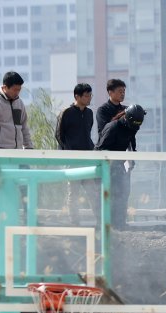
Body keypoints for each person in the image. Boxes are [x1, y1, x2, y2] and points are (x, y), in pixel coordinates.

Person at [95, 104, 144, 228]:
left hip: (120, 166)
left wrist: (132, 158)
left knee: (123, 193)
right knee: (110, 196)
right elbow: (100, 149)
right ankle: (107, 225)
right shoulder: (113, 127)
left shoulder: (132, 127)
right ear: (127, 118)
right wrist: (111, 164)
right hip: (106, 168)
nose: (136, 128)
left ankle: (120, 223)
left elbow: (132, 143)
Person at [95, 80, 134, 228]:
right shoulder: (102, 110)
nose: (122, 93)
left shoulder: (126, 109)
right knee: (107, 192)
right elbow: (104, 130)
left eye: (124, 91)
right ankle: (105, 223)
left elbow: (131, 134)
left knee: (123, 190)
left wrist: (132, 154)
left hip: (121, 157)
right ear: (110, 92)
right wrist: (122, 116)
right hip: (106, 157)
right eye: (119, 91)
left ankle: (121, 222)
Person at [55, 83, 96, 222]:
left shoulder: (90, 113)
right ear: (77, 96)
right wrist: (68, 152)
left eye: (90, 95)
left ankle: (100, 222)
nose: (89, 98)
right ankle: (75, 222)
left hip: (88, 159)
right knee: (73, 193)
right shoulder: (66, 112)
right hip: (72, 160)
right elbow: (59, 135)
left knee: (93, 192)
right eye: (86, 95)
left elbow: (88, 133)